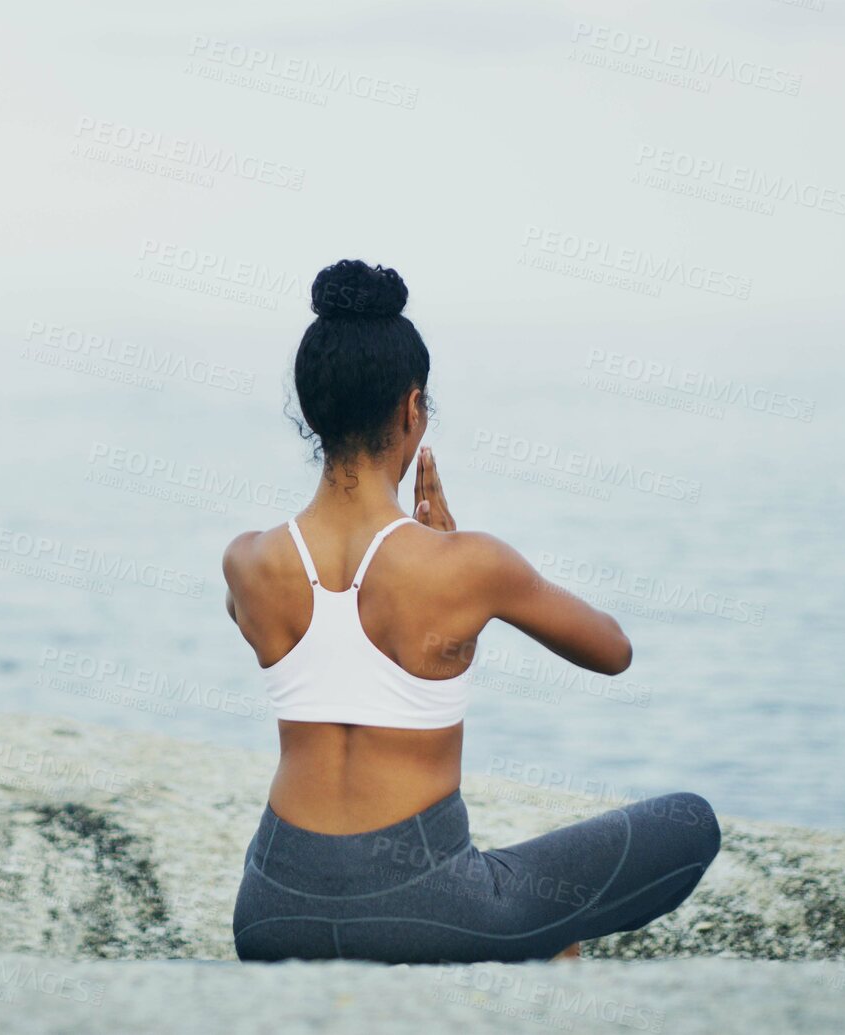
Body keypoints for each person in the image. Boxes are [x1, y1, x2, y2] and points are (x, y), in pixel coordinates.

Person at [222, 259, 719, 964]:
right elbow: (612, 650)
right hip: (422, 910)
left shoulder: (247, 561)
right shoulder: (470, 565)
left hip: (272, 911)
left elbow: (289, 629)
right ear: (411, 409)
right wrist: (453, 558)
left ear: (310, 410)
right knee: (690, 823)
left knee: (545, 928)